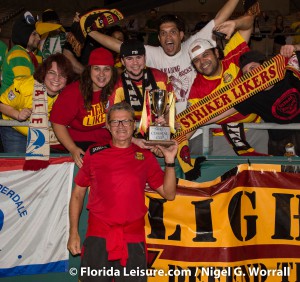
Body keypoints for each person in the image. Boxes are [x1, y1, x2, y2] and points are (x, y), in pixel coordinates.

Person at [67, 101, 178, 282]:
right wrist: (73, 232)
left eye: (126, 121)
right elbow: (78, 194)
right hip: (98, 237)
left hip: (133, 239)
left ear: (133, 126)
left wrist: (170, 161)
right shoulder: (94, 153)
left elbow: (169, 193)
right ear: (108, 127)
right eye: (115, 122)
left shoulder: (145, 157)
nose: (121, 126)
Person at [86, 0, 241, 114]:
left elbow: (220, 18)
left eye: (173, 32)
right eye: (163, 33)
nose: (168, 36)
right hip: (163, 123)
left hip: (196, 123)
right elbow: (118, 45)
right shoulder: (152, 53)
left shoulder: (192, 46)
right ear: (159, 38)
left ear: (181, 35)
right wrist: (87, 30)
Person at [187, 13, 268, 156]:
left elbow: (249, 22)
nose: (202, 62)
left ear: (217, 52)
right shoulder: (197, 87)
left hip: (255, 128)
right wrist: (174, 143)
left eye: (205, 54)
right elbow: (191, 121)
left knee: (263, 173)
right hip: (222, 137)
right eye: (196, 60)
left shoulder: (232, 55)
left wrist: (235, 24)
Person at [200, 47, 300, 156]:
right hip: (281, 144)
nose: (251, 74)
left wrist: (294, 47)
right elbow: (219, 112)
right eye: (246, 73)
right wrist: (192, 122)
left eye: (253, 67)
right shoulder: (250, 97)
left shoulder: (288, 71)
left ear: (265, 65)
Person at [50, 47, 118, 167]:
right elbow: (57, 123)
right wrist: (73, 149)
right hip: (75, 142)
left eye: (106, 69)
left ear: (112, 71)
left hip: (103, 143)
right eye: (96, 68)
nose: (101, 74)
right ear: (89, 70)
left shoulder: (116, 89)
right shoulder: (74, 92)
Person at [0, 53, 74, 153]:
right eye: (52, 73)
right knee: (17, 163)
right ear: (44, 73)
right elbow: (2, 104)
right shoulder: (25, 86)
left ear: (67, 79)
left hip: (43, 133)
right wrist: (18, 115)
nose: (57, 79)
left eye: (62, 75)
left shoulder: (68, 94)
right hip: (15, 130)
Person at [107, 39, 174, 148]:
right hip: (128, 139)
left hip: (159, 134)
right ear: (122, 61)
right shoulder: (117, 85)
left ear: (145, 58)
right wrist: (134, 140)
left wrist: (166, 123)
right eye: (129, 59)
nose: (135, 63)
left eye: (139, 57)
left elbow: (170, 110)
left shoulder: (161, 78)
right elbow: (109, 121)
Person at [0, 13, 41, 94]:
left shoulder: (25, 53)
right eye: (34, 34)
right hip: (12, 104)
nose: (38, 38)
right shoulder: (18, 55)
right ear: (24, 35)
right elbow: (25, 89)